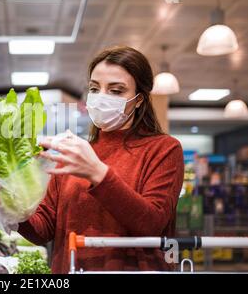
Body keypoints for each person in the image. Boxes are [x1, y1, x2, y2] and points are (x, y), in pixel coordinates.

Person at [16, 46, 185, 273]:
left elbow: (152, 224)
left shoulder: (163, 149)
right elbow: (44, 230)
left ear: (139, 100)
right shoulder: (74, 152)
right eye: (95, 88)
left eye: (116, 91)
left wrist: (98, 173)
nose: (102, 97)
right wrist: (14, 206)